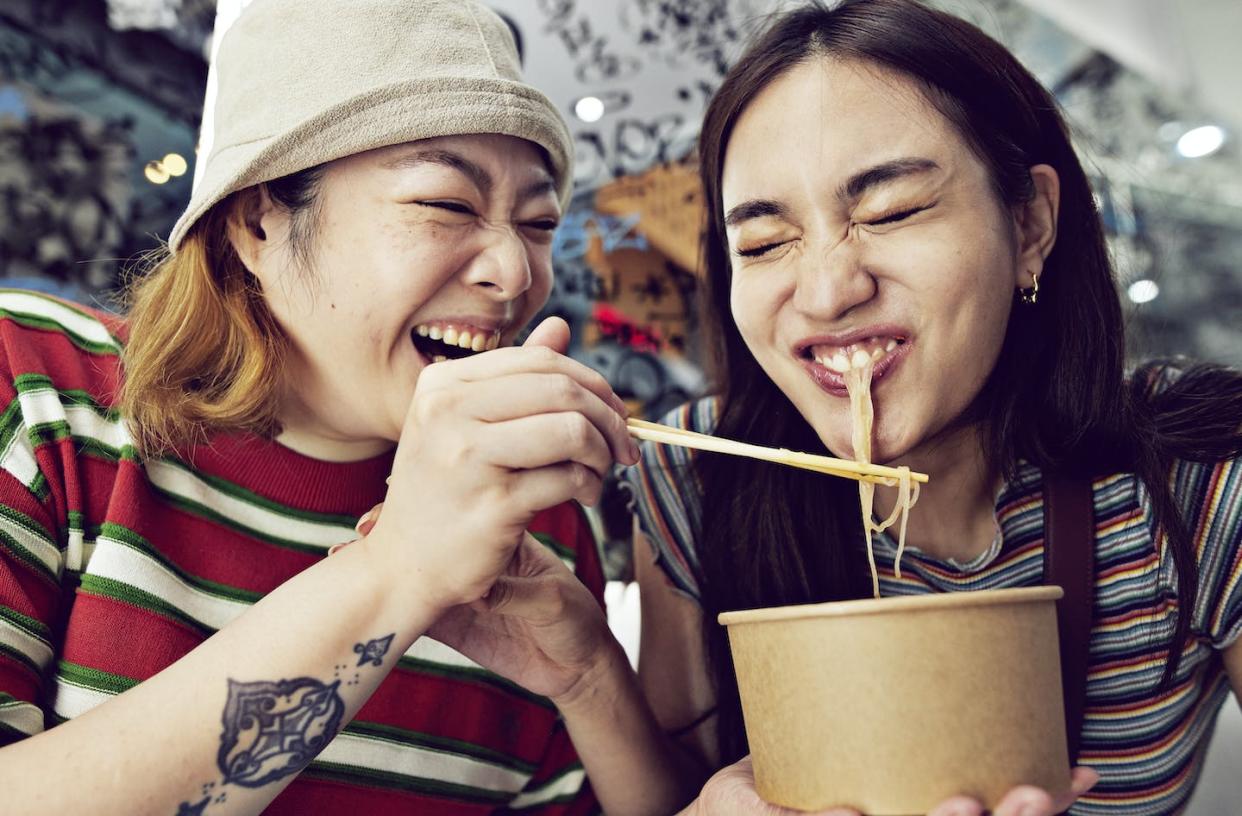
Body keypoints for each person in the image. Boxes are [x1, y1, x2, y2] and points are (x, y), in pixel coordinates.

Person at [0, 1, 692, 813]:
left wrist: (591, 678)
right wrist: (397, 570)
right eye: (448, 204)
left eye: (539, 221)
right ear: (259, 220)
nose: (515, 270)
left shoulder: (529, 517)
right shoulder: (39, 387)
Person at [628, 1, 1242, 815]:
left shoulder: (1195, 481)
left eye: (891, 212)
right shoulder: (697, 473)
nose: (827, 290)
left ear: (1029, 223)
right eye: (765, 243)